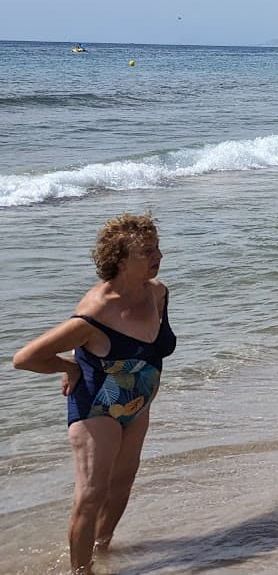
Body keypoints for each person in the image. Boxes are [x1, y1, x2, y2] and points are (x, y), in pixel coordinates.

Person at [12, 213, 176, 573]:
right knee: (91, 494)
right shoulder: (97, 310)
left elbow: (149, 350)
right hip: (96, 405)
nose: (158, 256)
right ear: (119, 260)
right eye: (147, 251)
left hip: (138, 404)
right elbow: (25, 358)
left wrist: (77, 358)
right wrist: (70, 366)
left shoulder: (159, 293)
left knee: (122, 483)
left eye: (158, 248)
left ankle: (102, 550)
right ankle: (80, 570)